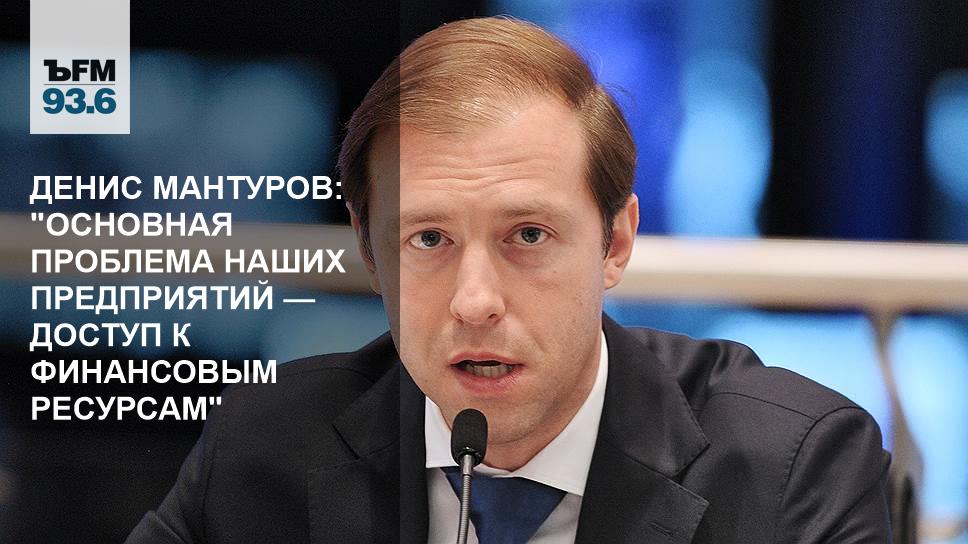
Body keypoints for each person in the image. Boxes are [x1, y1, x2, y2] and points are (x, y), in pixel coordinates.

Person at [127, 16, 892, 543]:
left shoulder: (791, 467)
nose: (475, 302)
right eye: (428, 239)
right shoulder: (263, 445)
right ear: (371, 253)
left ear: (615, 242)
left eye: (528, 235)